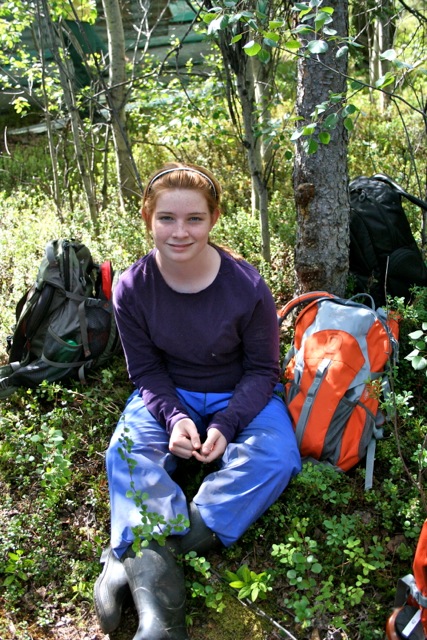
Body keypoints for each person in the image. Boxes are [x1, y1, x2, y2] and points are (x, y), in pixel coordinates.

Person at [93, 162, 301, 640]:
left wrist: (226, 424)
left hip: (242, 390)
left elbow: (263, 370)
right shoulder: (131, 287)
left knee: (277, 457)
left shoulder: (246, 287)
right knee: (126, 453)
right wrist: (177, 417)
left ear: (214, 219)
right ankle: (163, 625)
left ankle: (135, 550)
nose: (180, 232)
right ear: (147, 218)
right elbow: (145, 370)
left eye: (194, 219)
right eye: (166, 218)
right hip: (169, 391)